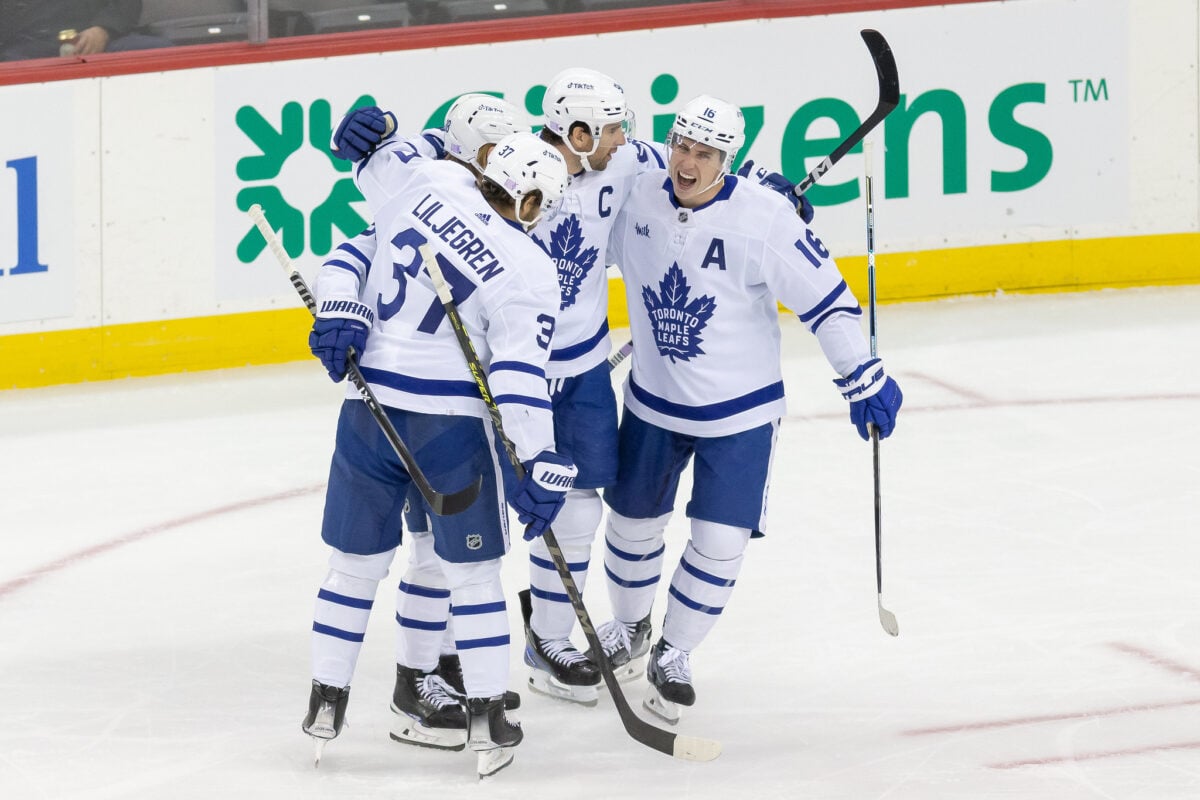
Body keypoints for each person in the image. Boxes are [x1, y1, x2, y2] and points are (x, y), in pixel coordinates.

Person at [598, 94, 903, 723]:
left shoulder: (766, 219)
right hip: (654, 403)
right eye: (681, 146)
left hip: (738, 417)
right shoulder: (637, 196)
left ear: (727, 160)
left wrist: (861, 374)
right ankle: (628, 631)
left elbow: (829, 300)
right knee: (630, 523)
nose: (687, 162)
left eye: (704, 154)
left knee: (720, 539)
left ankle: (675, 651)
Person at [301, 129, 573, 777]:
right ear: (531, 201)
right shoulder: (528, 267)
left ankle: (325, 703)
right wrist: (540, 463)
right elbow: (516, 381)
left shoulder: (428, 183)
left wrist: (340, 308)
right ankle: (485, 716)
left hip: (364, 417)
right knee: (473, 577)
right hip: (448, 434)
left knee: (353, 566)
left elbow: (352, 249)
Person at [323, 94, 526, 751]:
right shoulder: (433, 186)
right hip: (432, 413)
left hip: (455, 404)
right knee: (440, 558)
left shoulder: (499, 190)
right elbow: (359, 248)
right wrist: (337, 307)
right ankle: (421, 680)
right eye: (492, 159)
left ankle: (433, 674)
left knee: (443, 557)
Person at [1, 1, 166, 61]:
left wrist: (103, 30)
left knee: (156, 52)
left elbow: (127, 4)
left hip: (98, 42)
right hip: (26, 47)